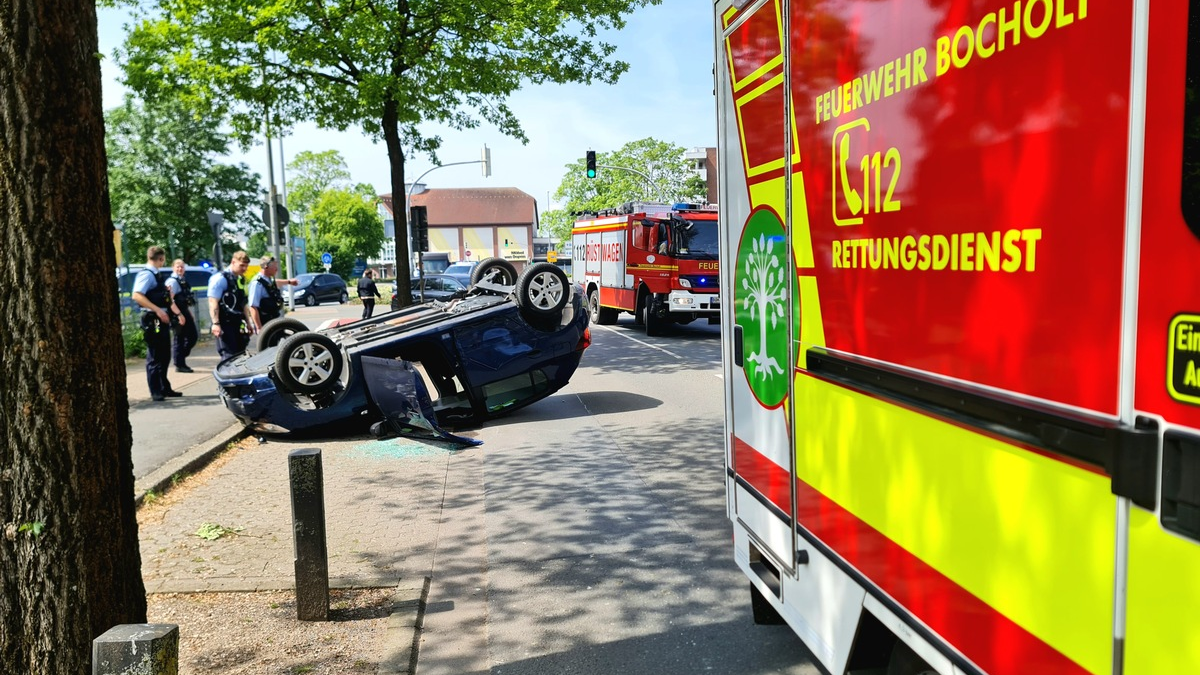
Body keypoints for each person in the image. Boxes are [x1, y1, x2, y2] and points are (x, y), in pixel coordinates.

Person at [131, 246, 182, 401]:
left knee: (164, 354)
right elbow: (137, 295)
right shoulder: (147, 275)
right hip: (153, 318)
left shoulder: (155, 274)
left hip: (160, 317)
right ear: (161, 258)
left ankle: (164, 386)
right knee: (155, 355)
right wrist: (158, 310)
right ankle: (155, 390)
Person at [208, 251, 251, 359]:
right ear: (233, 262)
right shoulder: (220, 279)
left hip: (236, 322)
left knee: (239, 355)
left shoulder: (239, 279)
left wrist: (249, 323)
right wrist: (216, 323)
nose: (244, 268)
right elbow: (213, 302)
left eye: (246, 266)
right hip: (225, 324)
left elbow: (243, 303)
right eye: (242, 265)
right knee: (228, 357)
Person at [246, 255, 298, 332]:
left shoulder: (267, 279)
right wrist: (259, 328)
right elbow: (253, 306)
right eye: (274, 266)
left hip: (273, 319)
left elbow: (273, 284)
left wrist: (289, 282)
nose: (276, 269)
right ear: (266, 266)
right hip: (265, 323)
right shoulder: (256, 283)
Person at [165, 259, 197, 373]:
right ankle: (179, 364)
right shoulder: (172, 282)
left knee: (192, 337)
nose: (180, 269)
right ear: (173, 267)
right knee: (179, 338)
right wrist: (178, 315)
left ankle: (180, 358)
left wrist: (188, 313)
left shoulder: (182, 280)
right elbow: (169, 300)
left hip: (184, 312)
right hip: (177, 314)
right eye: (178, 267)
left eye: (182, 267)